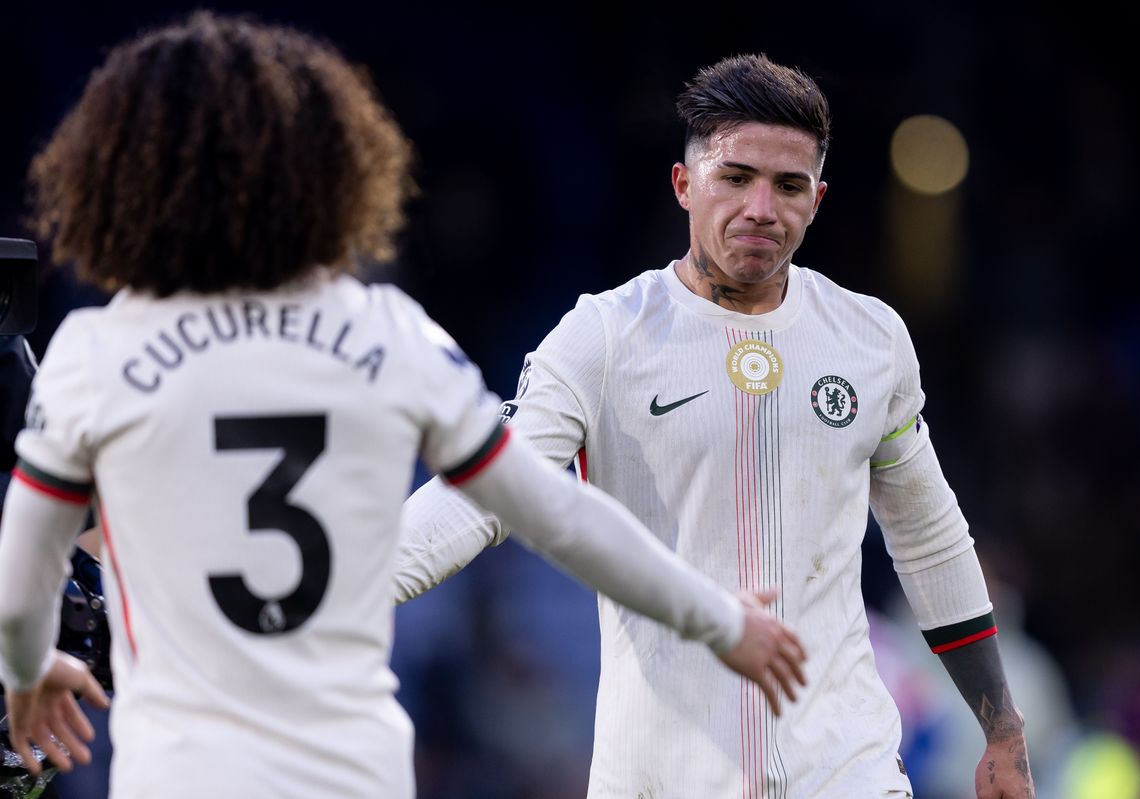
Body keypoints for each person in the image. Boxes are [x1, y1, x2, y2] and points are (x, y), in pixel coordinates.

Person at [0, 16, 809, 798]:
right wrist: (716, 617)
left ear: (126, 179)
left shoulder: (94, 354)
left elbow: (24, 569)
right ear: (334, 177)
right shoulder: (391, 336)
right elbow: (555, 511)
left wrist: (27, 667)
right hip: (353, 774)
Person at [394, 54, 1035, 798]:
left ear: (817, 200)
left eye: (789, 185)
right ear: (684, 185)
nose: (763, 206)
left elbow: (928, 535)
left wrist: (1003, 729)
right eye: (736, 177)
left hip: (844, 770)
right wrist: (349, 578)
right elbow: (486, 487)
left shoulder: (870, 339)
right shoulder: (604, 337)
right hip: (663, 776)